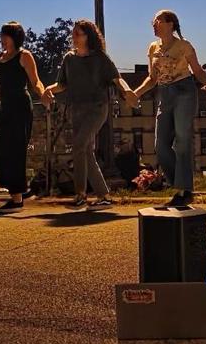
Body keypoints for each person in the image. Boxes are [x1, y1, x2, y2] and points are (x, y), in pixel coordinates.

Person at [43, 19, 139, 209]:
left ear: (89, 37)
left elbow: (117, 79)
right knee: (86, 152)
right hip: (77, 109)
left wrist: (127, 92)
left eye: (78, 33)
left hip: (97, 108)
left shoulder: (100, 58)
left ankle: (80, 194)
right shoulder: (69, 59)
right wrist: (49, 89)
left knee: (79, 145)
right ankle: (104, 196)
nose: (74, 36)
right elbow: (62, 84)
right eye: (73, 33)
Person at [131, 10, 206, 209]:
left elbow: (197, 70)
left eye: (157, 21)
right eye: (153, 22)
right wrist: (135, 93)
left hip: (184, 91)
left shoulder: (184, 46)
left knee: (182, 141)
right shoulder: (153, 47)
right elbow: (152, 79)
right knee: (160, 145)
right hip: (164, 94)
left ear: (170, 24)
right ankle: (180, 185)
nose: (153, 25)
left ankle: (183, 191)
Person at [0, 21, 45, 212]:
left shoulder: (24, 56)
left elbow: (35, 81)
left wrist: (44, 95)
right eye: (1, 36)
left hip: (21, 106)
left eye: (5, 36)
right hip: (6, 107)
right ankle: (18, 191)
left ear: (14, 37)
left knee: (16, 150)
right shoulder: (1, 58)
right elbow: (1, 86)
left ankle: (17, 199)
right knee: (1, 150)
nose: (2, 40)